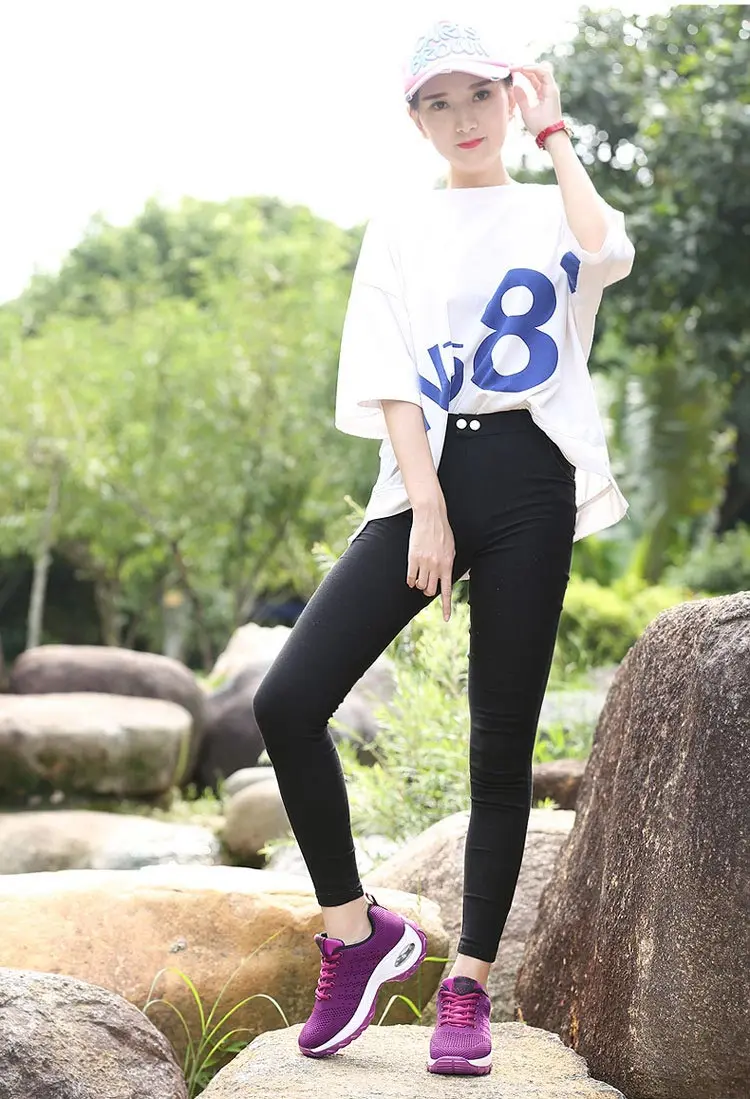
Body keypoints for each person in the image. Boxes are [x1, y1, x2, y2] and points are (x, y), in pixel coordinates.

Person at [252, 17, 635, 1077]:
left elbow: (608, 253)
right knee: (287, 699)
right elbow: (389, 372)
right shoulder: (402, 228)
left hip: (532, 479)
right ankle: (356, 935)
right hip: (429, 474)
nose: (464, 118)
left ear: (509, 100)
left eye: (481, 95)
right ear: (415, 119)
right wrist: (426, 505)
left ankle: (466, 985)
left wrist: (557, 136)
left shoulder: (550, 206)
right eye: (440, 102)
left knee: (498, 745)